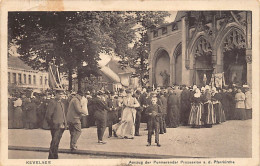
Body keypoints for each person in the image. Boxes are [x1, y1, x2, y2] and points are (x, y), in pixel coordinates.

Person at [45, 89, 67, 159]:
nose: (61, 96)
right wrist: (52, 124)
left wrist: (65, 123)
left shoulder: (62, 103)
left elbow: (63, 114)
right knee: (54, 142)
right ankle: (51, 157)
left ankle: (55, 156)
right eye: (59, 94)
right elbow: (48, 115)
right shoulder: (53, 102)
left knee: (57, 142)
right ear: (56, 94)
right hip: (55, 126)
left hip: (61, 126)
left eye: (62, 94)